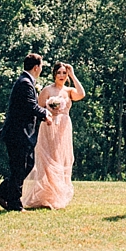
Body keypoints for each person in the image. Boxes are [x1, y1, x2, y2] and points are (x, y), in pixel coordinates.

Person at [0, 52, 51, 211]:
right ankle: (14, 204)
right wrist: (45, 114)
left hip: (20, 134)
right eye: (42, 67)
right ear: (37, 67)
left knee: (27, 165)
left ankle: (1, 193)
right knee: (20, 167)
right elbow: (30, 106)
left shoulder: (25, 81)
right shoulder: (25, 83)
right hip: (18, 133)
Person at [22, 62, 85, 209]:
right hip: (49, 126)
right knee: (48, 160)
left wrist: (73, 74)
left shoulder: (69, 91)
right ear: (54, 74)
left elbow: (81, 94)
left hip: (64, 128)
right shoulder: (47, 90)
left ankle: (57, 196)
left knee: (61, 159)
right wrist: (49, 113)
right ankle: (44, 196)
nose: (62, 76)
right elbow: (37, 107)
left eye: (64, 73)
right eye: (59, 73)